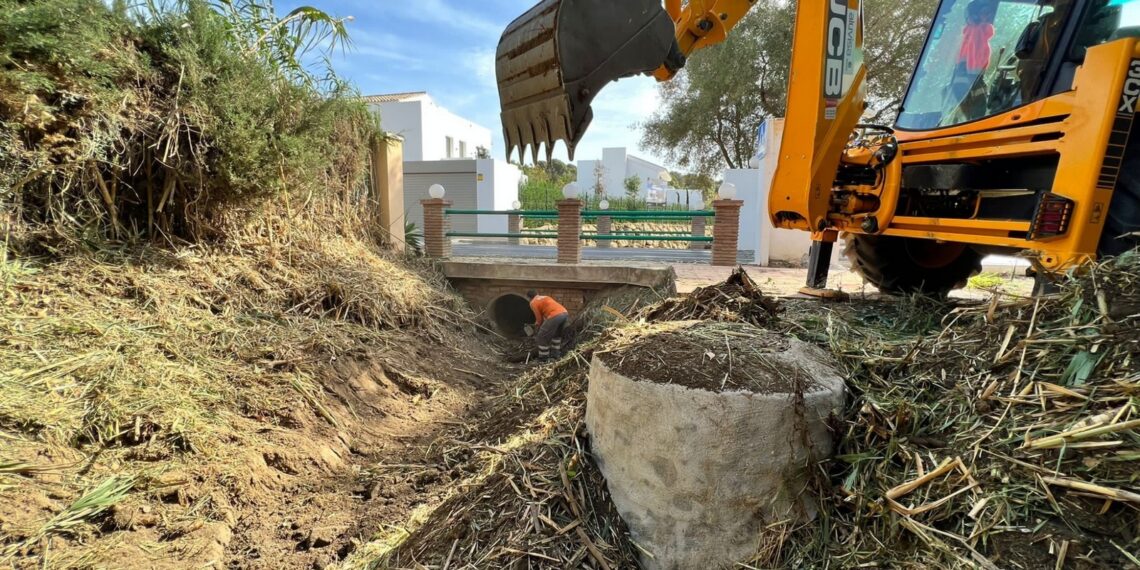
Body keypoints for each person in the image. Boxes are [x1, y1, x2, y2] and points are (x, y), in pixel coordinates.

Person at [526, 289, 569, 361]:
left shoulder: (533, 302)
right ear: (537, 293)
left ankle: (543, 358)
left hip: (555, 315)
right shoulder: (545, 297)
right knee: (556, 335)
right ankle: (556, 355)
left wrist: (537, 327)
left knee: (542, 336)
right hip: (564, 313)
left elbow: (539, 319)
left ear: (529, 298)